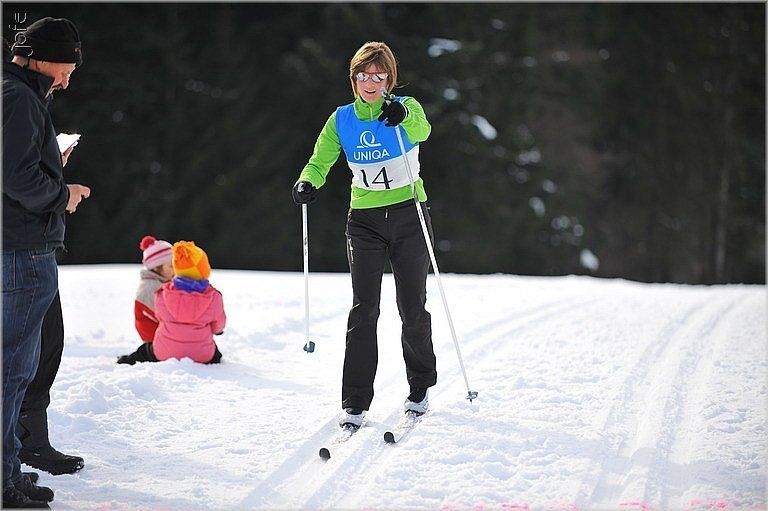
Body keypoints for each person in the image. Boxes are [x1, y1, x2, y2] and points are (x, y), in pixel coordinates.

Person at [292, 41, 437, 429]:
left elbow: (422, 130)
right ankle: (355, 401)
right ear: (353, 79)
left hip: (409, 216)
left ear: (389, 79)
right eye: (363, 75)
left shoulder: (406, 107)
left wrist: (402, 115)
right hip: (365, 221)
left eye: (379, 75)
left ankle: (420, 386)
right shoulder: (342, 119)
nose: (370, 83)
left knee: (412, 306)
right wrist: (307, 181)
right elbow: (320, 160)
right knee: (364, 309)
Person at [3, 17, 91, 508]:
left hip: (19, 247)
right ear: (42, 58)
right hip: (21, 250)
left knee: (19, 366)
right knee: (12, 370)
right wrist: (63, 194)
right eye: (67, 68)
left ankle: (11, 468)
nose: (68, 79)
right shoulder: (18, 98)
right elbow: (16, 178)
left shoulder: (16, 94)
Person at [117, 241, 226, 365]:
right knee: (214, 351)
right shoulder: (214, 297)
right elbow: (218, 326)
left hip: (164, 352)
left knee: (144, 351)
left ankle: (126, 361)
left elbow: (160, 317)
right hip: (201, 355)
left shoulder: (162, 293)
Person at [134, 236, 175, 342]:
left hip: (163, 336)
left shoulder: (160, 282)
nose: (175, 270)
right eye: (171, 266)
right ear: (156, 268)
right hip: (156, 340)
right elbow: (170, 316)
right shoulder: (151, 288)